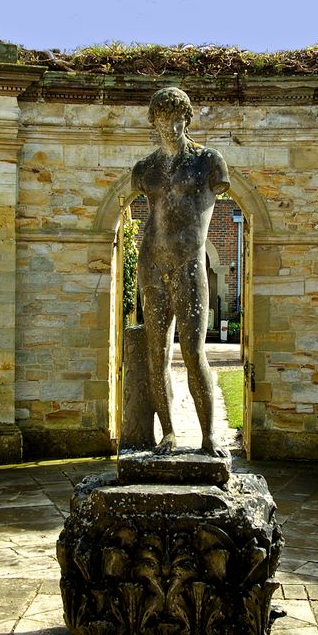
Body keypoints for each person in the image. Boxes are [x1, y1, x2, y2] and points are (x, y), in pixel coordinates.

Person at [129, 87, 230, 457]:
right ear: (153, 122)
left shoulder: (208, 162)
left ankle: (208, 437)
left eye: (175, 118)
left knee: (192, 352)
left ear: (186, 119)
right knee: (157, 354)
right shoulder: (145, 169)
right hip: (152, 264)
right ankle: (168, 433)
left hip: (189, 264)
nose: (168, 126)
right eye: (161, 120)